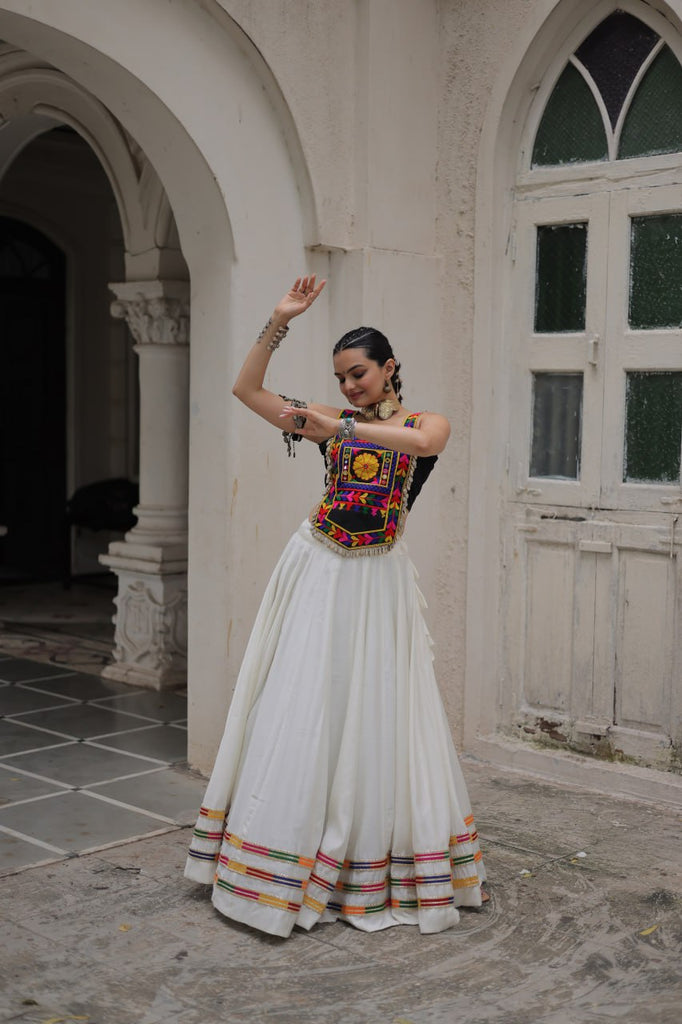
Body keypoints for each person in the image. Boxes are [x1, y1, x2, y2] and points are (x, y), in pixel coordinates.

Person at [184, 275, 487, 937]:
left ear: (389, 369)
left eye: (359, 374)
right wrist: (278, 320)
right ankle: (281, 855)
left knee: (378, 707)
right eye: (341, 379)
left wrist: (340, 423)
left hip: (378, 576)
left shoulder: (420, 421)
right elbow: (246, 391)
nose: (349, 386)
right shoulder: (329, 421)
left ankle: (364, 863)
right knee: (306, 697)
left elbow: (424, 445)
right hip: (319, 564)